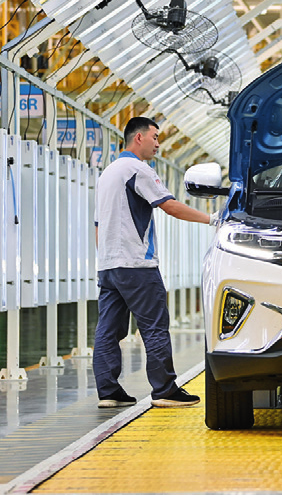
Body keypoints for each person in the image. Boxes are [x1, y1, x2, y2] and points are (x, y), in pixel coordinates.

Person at [93, 116, 213, 409]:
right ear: (139, 138)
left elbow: (98, 225)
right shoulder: (138, 169)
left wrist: (108, 258)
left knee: (108, 329)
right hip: (137, 266)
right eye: (155, 137)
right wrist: (213, 219)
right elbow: (169, 205)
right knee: (155, 326)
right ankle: (164, 390)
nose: (158, 144)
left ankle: (108, 391)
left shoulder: (107, 173)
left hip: (108, 265)